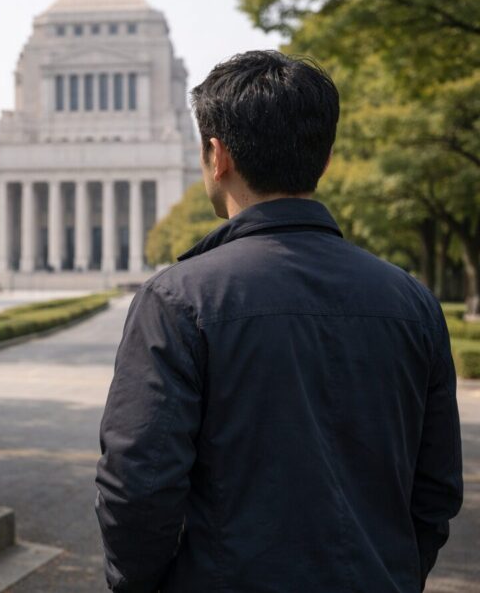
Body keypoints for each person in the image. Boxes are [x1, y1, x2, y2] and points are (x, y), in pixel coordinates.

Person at [95, 51, 463, 592]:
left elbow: (138, 487)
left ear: (216, 156)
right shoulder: (413, 301)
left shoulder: (178, 299)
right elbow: (434, 490)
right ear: (327, 158)